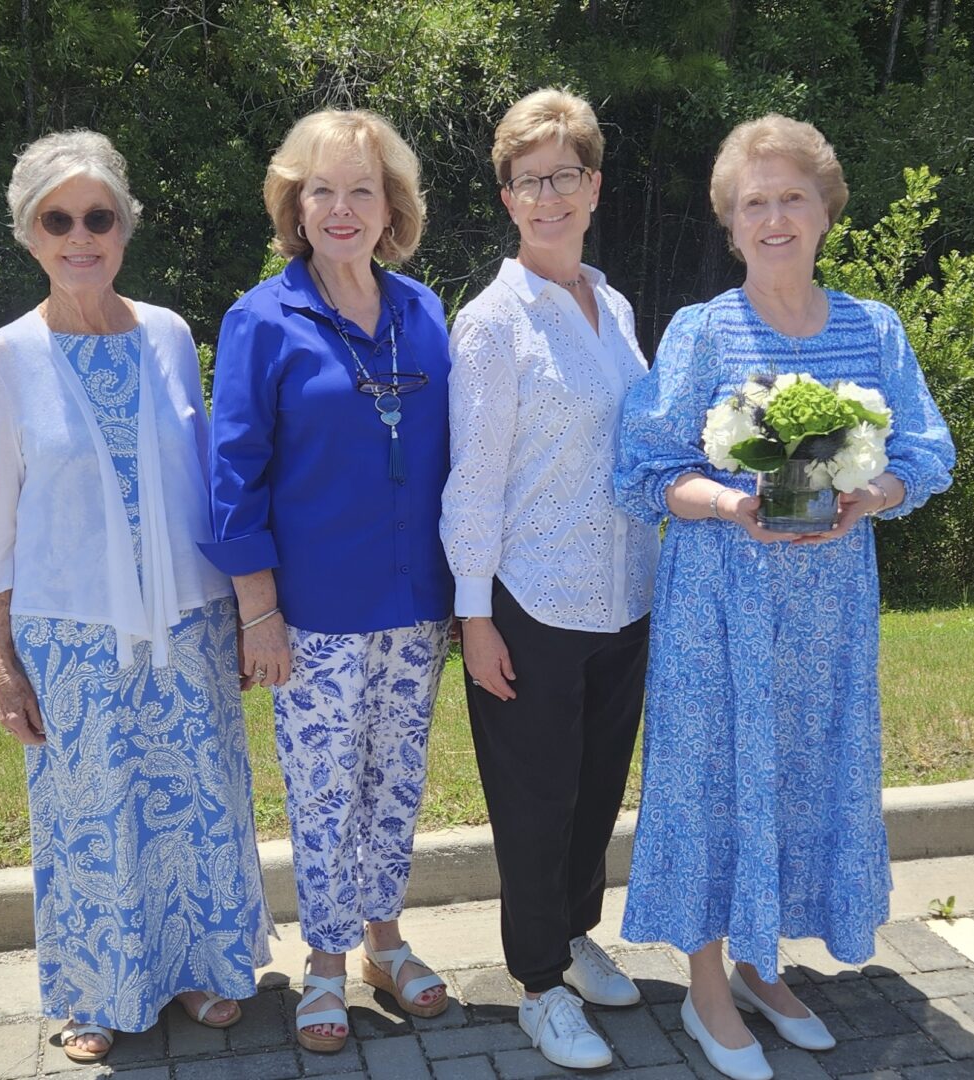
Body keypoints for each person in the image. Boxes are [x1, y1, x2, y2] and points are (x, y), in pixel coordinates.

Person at [614, 114, 955, 1080]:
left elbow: (928, 451)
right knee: (715, 778)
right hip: (720, 604)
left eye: (791, 197)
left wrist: (872, 493)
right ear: (730, 224)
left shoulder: (872, 328)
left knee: (805, 773)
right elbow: (640, 469)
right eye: (753, 203)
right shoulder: (701, 330)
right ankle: (708, 988)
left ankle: (768, 965)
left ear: (825, 211)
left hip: (829, 608)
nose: (774, 218)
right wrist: (728, 498)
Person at [0, 130, 272, 1065]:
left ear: (124, 225)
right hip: (68, 634)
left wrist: (244, 608)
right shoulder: (7, 357)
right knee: (89, 811)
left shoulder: (171, 336)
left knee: (193, 799)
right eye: (57, 220)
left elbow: (204, 481)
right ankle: (94, 987)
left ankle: (197, 967)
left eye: (97, 216)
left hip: (187, 620)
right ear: (29, 234)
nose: (79, 236)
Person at [202, 109, 453, 1054]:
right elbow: (233, 481)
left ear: (392, 207)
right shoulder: (261, 320)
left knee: (396, 783)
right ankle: (324, 964)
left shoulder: (425, 314)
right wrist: (256, 612)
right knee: (322, 793)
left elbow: (457, 467)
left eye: (362, 189)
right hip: (310, 617)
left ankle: (387, 943)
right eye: (321, 190)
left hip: (417, 606)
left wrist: (468, 597)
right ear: (293, 206)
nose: (341, 209)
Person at [439, 89, 660, 1071]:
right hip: (530, 604)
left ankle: (575, 935)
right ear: (508, 198)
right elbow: (474, 481)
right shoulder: (493, 323)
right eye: (530, 180)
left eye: (565, 174)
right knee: (533, 802)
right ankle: (536, 983)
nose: (549, 195)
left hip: (624, 598)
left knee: (595, 792)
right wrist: (473, 616)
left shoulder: (610, 305)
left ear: (594, 185)